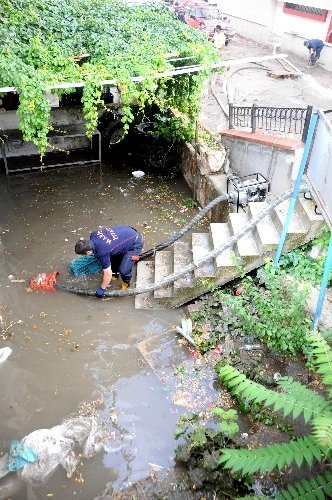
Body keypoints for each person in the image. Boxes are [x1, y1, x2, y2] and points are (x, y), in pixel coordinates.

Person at [75, 225, 143, 297]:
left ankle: (126, 284)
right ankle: (115, 274)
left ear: (88, 252)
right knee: (112, 257)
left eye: (85, 254)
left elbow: (108, 274)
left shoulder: (102, 252)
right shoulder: (93, 235)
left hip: (135, 242)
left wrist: (102, 288)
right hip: (127, 231)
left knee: (124, 270)